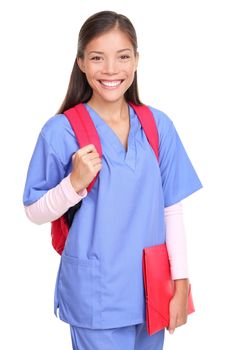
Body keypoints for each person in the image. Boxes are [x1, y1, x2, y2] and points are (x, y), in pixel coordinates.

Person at [22, 10, 203, 350]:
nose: (110, 70)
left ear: (136, 61)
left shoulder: (156, 126)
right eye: (97, 58)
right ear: (81, 63)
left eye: (122, 57)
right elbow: (34, 211)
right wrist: (73, 184)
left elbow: (171, 210)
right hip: (97, 296)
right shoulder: (61, 131)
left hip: (151, 289)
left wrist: (181, 283)